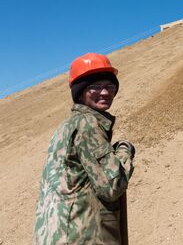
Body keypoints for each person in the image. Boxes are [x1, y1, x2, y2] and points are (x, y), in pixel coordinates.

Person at [33, 53, 135, 244]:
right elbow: (112, 186)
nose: (104, 92)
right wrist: (124, 150)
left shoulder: (64, 127)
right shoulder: (87, 123)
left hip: (56, 233)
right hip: (81, 234)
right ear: (80, 92)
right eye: (95, 87)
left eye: (110, 86)